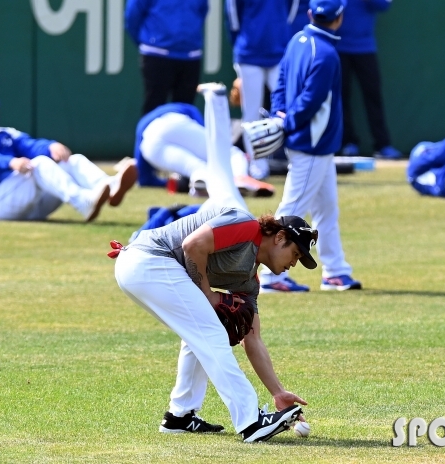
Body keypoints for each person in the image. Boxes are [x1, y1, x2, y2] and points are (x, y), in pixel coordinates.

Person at [114, 83, 310, 442]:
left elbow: (253, 338)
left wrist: (278, 391)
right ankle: (250, 422)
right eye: (296, 254)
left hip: (145, 267)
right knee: (209, 330)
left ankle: (179, 414)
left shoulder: (250, 280)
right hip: (147, 260)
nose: (295, 263)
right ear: (279, 238)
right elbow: (193, 245)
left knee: (203, 331)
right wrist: (210, 298)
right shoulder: (245, 225)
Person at [260, 0, 361, 293]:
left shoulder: (297, 40)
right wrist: (288, 121)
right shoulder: (327, 53)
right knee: (291, 210)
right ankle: (271, 275)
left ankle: (335, 271)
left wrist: (280, 113)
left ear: (310, 14)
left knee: (327, 210)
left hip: (313, 143)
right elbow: (311, 100)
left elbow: (281, 81)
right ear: (339, 18)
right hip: (312, 144)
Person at [0, 89, 137, 222]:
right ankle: (84, 202)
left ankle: (111, 187)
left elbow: (30, 145)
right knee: (39, 164)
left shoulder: (5, 133)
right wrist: (11, 162)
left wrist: (51, 146)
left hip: (28, 202)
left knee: (71, 160)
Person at [133, 101, 274, 197]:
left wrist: (173, 184)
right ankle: (240, 177)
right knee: (231, 153)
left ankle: (200, 183)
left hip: (148, 144)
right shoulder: (183, 108)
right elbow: (206, 132)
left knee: (196, 168)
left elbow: (144, 179)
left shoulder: (142, 126)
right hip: (173, 122)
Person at [226, 0, 298, 179]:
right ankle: (257, 166)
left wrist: (280, 33)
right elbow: (233, 17)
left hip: (279, 50)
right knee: (251, 114)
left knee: (288, 110)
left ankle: (297, 163)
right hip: (249, 53)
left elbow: (291, 11)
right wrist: (243, 42)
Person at [336, 0, 401, 159]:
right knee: (341, 97)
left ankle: (382, 144)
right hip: (338, 47)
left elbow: (383, 5)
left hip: (365, 47)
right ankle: (348, 143)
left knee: (373, 96)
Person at [125, 0, 209, 115]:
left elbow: (202, 10)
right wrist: (152, 42)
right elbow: (132, 16)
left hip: (190, 56)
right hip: (156, 55)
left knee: (185, 112)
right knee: (154, 109)